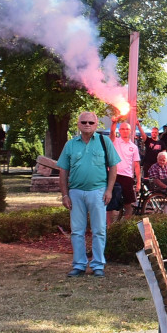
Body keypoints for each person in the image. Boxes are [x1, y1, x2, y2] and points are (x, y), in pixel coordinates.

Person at [57, 112, 119, 278]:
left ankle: (98, 265)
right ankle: (79, 265)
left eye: (91, 122)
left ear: (96, 124)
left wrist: (109, 190)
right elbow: (63, 171)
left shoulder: (104, 142)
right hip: (75, 192)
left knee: (99, 230)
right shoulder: (70, 145)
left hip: (98, 191)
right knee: (77, 231)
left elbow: (113, 167)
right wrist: (65, 195)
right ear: (78, 124)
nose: (87, 125)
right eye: (83, 122)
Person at [109, 121, 142, 223]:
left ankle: (125, 226)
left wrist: (139, 182)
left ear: (130, 131)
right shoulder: (115, 142)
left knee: (128, 204)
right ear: (119, 130)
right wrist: (114, 123)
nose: (125, 131)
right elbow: (111, 133)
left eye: (127, 129)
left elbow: (136, 165)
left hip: (127, 176)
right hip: (114, 175)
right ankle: (109, 227)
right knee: (110, 202)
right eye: (122, 129)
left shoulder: (134, 147)